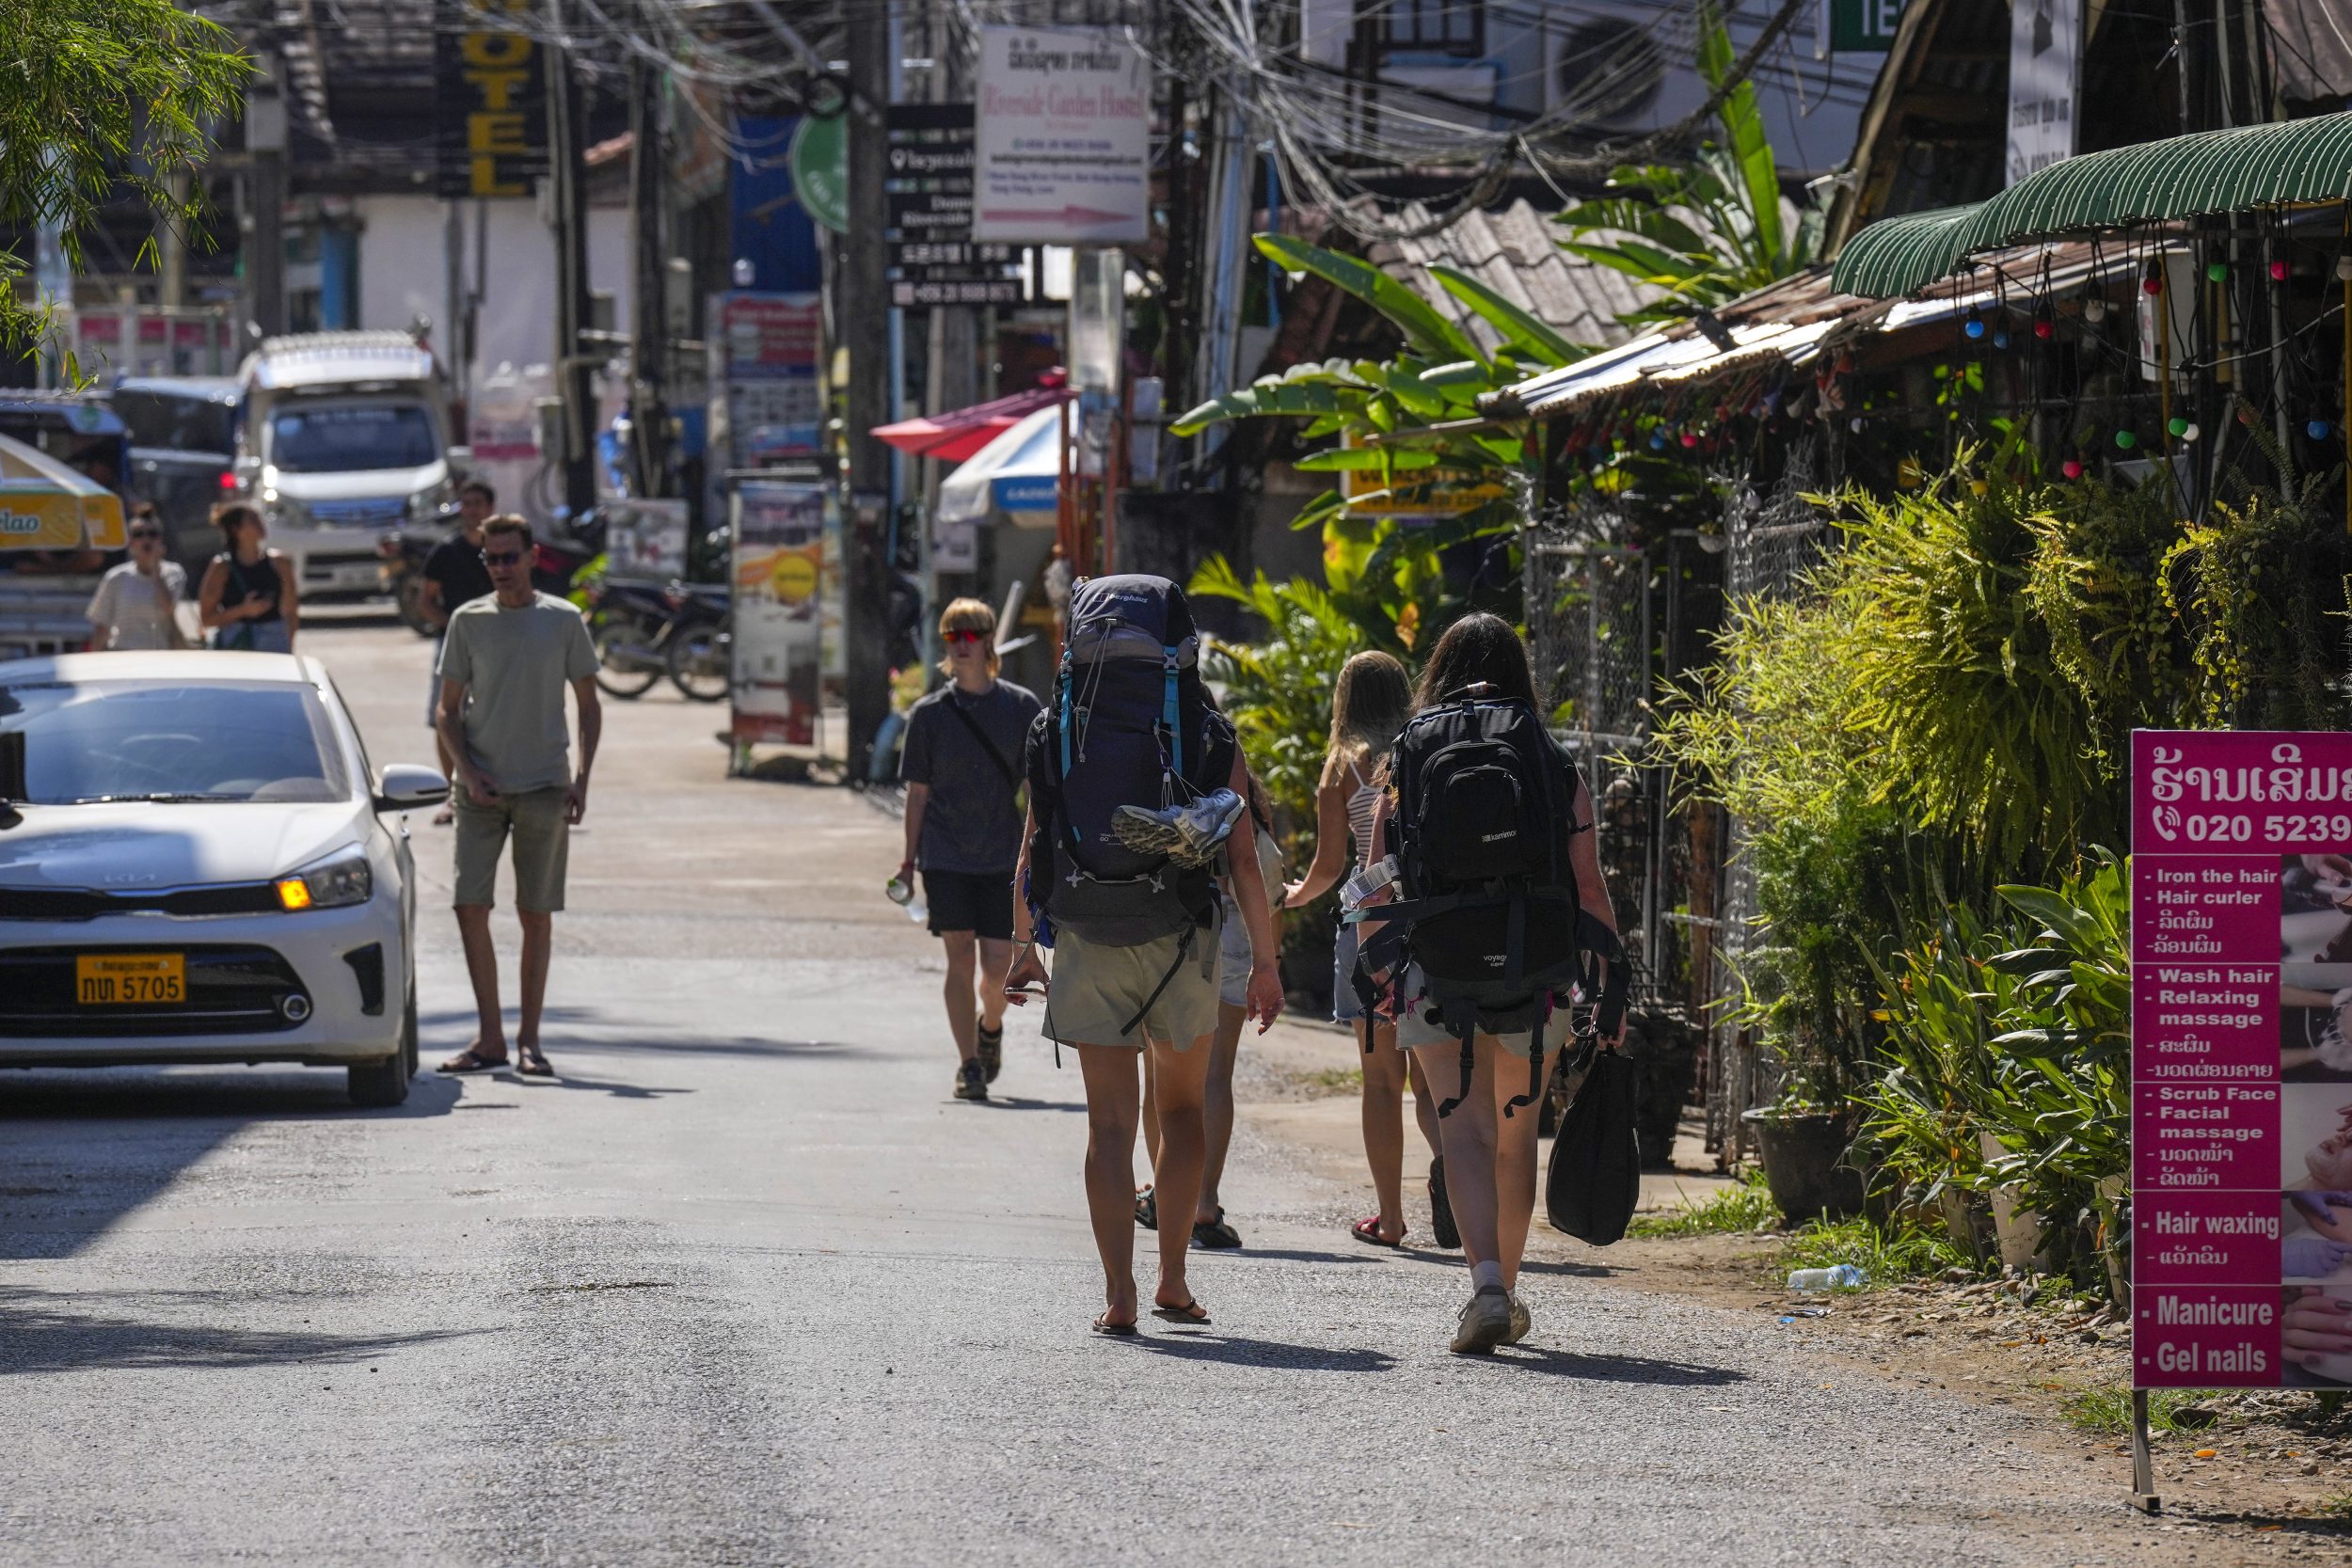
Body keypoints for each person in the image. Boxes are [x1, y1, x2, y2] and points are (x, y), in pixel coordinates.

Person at [1004, 576, 1283, 1334]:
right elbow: (1244, 860)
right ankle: (1173, 1279)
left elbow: (1032, 846)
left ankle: (1118, 1295)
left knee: (1108, 1127)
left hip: (1088, 931)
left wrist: (1024, 946)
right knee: (1182, 1109)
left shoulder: (1055, 727)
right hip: (1180, 934)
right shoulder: (1209, 730)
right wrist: (1264, 963)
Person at [1357, 612, 1622, 1354]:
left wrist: (1376, 966)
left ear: (1437, 673)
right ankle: (1507, 1281)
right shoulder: (1550, 759)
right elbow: (1589, 885)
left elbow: (1375, 880)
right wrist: (1609, 983)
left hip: (1435, 968)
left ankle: (1487, 1289)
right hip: (1536, 968)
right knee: (1515, 1134)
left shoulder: (1407, 758)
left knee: (1463, 1130)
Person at [1280, 649, 1453, 1251]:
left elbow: (1331, 866)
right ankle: (1457, 1180)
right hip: (1428, 923)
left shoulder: (1344, 767)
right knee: (1432, 1079)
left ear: (1345, 701)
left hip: (1370, 926)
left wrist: (1292, 897)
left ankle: (1390, 1218)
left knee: (1381, 1084)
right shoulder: (1421, 749)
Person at [433, 515, 602, 1081]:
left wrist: (582, 779)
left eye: (510, 557)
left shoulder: (563, 620)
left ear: (532, 558)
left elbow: (589, 705)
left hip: (543, 787)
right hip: (480, 789)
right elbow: (446, 711)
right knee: (470, 907)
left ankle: (530, 1040)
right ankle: (490, 1037)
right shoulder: (468, 621)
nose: (501, 568)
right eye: (492, 559)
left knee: (536, 913)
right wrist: (467, 773)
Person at [897, 597, 1042, 1102]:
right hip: (945, 857)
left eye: (971, 635)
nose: (961, 645)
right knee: (958, 957)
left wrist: (1044, 850)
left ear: (988, 643)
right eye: (952, 636)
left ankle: (990, 1027)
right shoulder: (928, 715)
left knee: (998, 969)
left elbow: (1037, 789)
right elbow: (917, 794)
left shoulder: (1021, 708)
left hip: (1003, 858)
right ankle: (969, 1066)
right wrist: (908, 863)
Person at [1137, 768, 1283, 1249]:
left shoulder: (1160, 779)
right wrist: (1270, 962)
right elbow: (1263, 883)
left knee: (1162, 1074)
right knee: (1216, 1076)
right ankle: (1203, 1202)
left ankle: (1165, 1193)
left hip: (1178, 931)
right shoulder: (1241, 796)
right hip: (1240, 939)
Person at [421, 479, 500, 826]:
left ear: (490, 508)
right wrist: (453, 626)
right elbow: (425, 600)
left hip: (497, 644)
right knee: (446, 716)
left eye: (478, 503)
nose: (472, 510)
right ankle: (453, 795)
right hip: (452, 646)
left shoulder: (503, 552)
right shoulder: (446, 552)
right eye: (466, 504)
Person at [85, 504, 186, 650]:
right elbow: (102, 626)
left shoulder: (173, 573)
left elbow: (168, 608)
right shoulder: (116, 577)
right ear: (131, 541)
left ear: (160, 539)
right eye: (139, 534)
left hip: (159, 655)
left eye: (152, 534)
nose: (146, 539)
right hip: (124, 654)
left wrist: (155, 568)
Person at [198, 503, 297, 653]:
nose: (260, 524)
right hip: (237, 644)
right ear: (236, 530)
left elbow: (291, 610)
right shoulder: (222, 567)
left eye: (259, 518)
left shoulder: (279, 563)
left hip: (274, 641)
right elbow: (207, 618)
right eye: (252, 520)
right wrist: (243, 610)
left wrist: (287, 643)